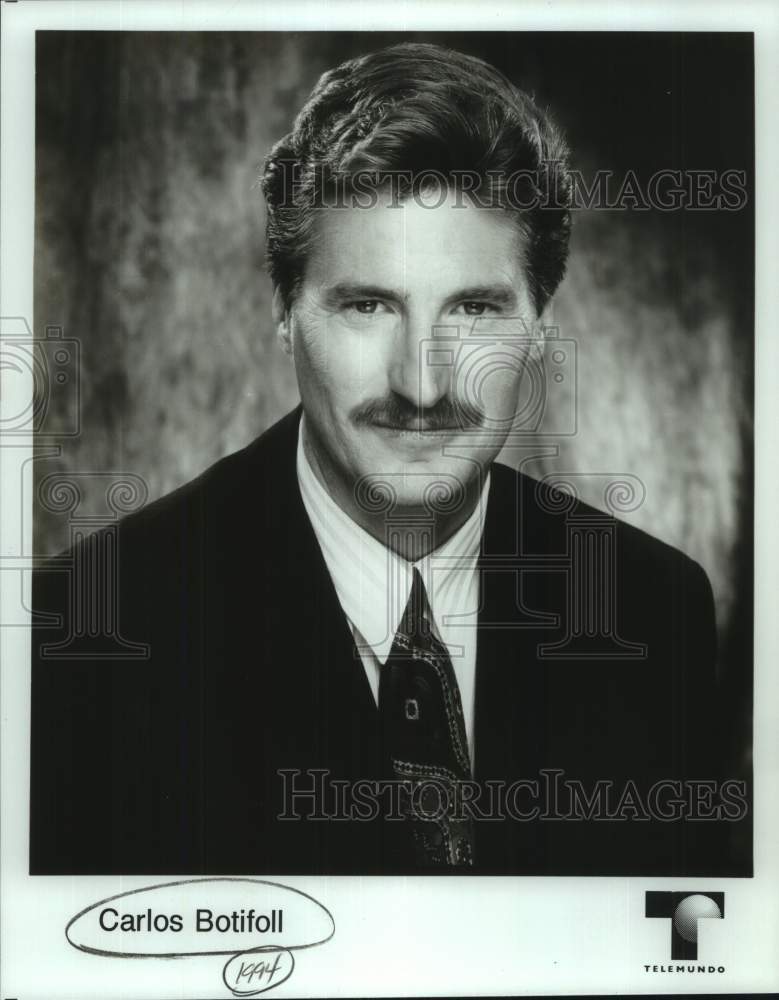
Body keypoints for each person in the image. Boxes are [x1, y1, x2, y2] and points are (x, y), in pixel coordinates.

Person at [30, 42, 732, 876]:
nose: (423, 384)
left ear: (539, 327)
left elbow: (684, 947)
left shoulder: (655, 610)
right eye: (367, 305)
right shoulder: (81, 638)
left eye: (474, 308)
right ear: (286, 314)